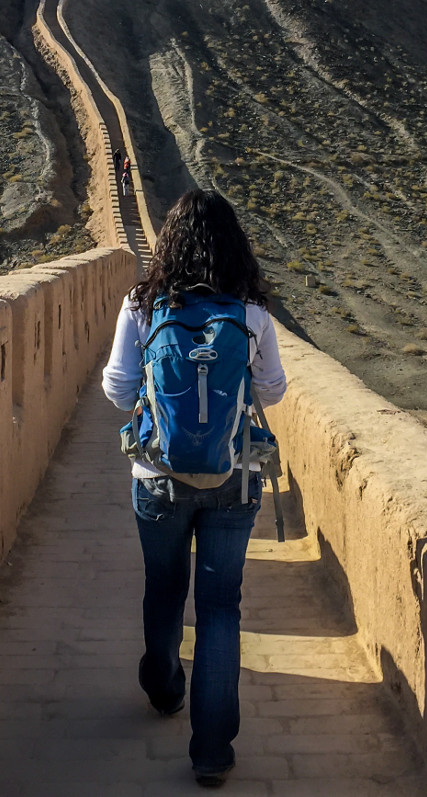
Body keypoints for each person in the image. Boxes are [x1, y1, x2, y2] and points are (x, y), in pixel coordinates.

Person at [102, 189, 286, 788]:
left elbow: (115, 386)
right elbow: (275, 390)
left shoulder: (142, 304)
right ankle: (210, 751)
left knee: (163, 590)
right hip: (232, 481)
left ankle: (162, 689)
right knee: (219, 607)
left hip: (156, 478)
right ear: (236, 248)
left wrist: (157, 407)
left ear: (170, 245)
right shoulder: (250, 314)